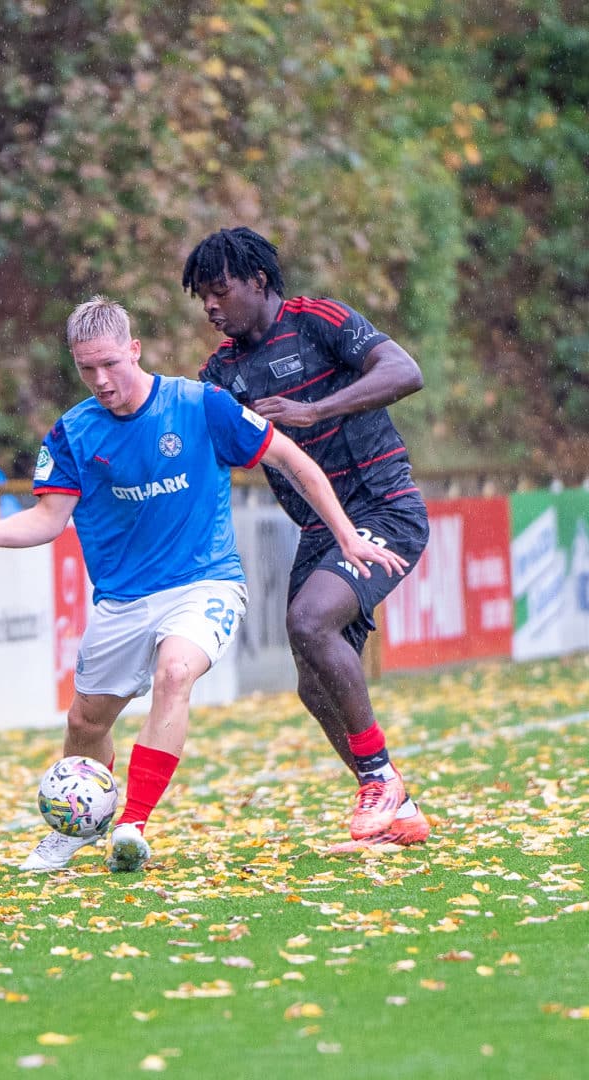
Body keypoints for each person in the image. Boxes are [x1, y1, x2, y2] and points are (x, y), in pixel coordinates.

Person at [0, 296, 406, 872]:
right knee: (86, 723)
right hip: (122, 600)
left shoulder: (202, 405)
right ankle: (75, 827)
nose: (101, 380)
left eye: (110, 363)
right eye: (87, 368)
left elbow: (294, 461)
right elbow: (48, 520)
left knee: (176, 671)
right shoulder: (73, 433)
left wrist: (347, 536)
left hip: (205, 584)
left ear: (134, 350)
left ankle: (132, 825)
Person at [182, 226, 431, 852]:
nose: (210, 306)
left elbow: (405, 371)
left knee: (308, 620)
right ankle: (398, 809)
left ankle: (379, 779)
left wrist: (316, 410)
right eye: (202, 297)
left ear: (259, 281)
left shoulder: (318, 320)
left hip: (385, 509)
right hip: (321, 532)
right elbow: (189, 445)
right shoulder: (221, 373)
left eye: (219, 291)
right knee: (313, 686)